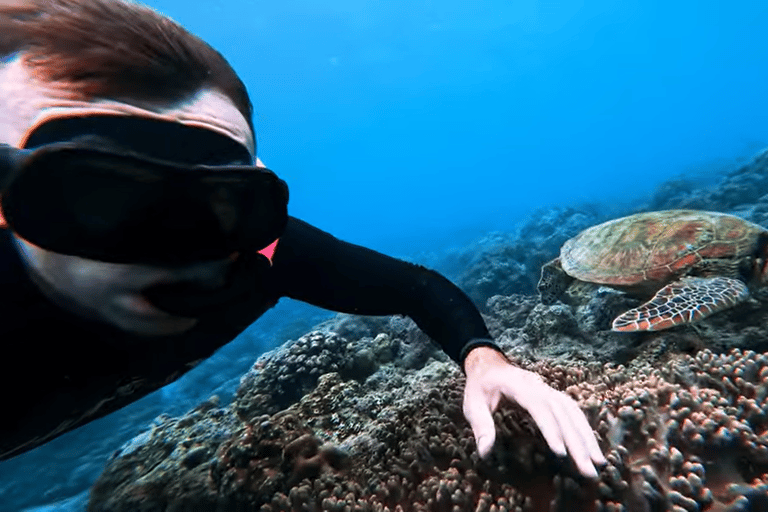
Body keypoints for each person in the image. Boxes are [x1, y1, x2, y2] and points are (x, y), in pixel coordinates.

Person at [0, 0, 605, 478]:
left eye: (221, 202)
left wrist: (486, 360)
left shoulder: (258, 252)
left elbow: (415, 288)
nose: (179, 248)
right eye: (99, 195)